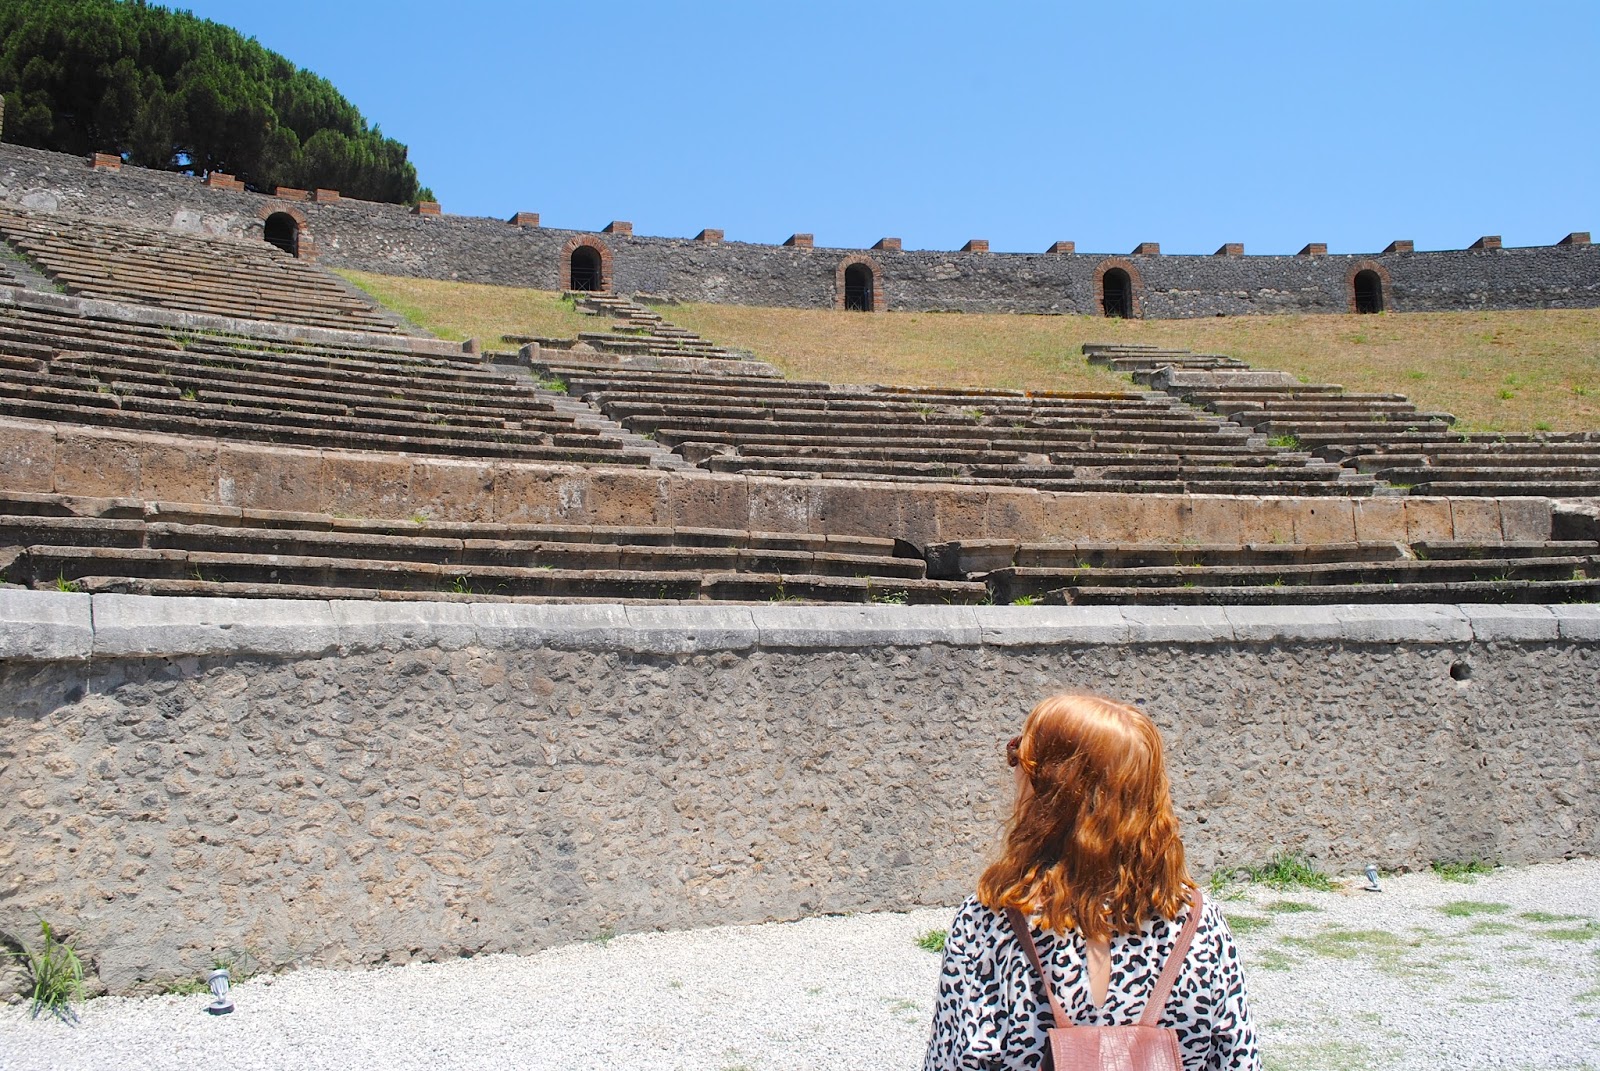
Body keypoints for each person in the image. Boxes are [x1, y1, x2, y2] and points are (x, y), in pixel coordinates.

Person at [923, 694, 1259, 1071]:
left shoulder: (989, 925)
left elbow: (952, 1061)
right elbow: (1237, 1058)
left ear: (1053, 791)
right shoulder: (1199, 925)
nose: (1014, 768)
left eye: (1022, 757)